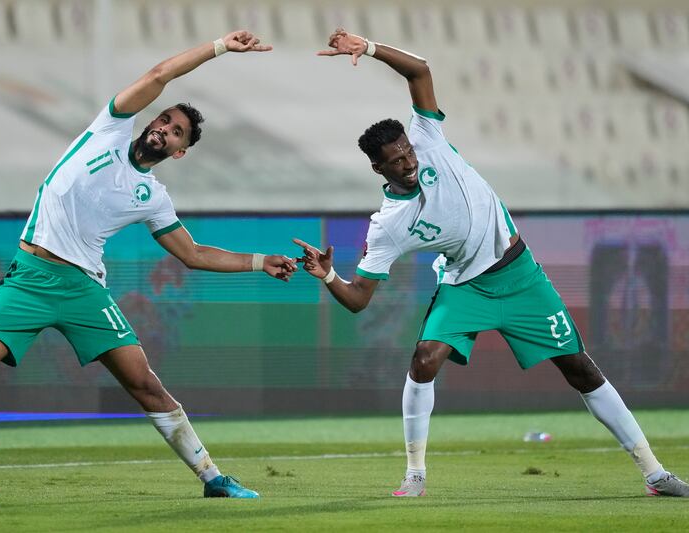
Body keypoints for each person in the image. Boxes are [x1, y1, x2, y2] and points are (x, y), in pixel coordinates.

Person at [293, 28, 689, 498]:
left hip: (521, 276)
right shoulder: (388, 225)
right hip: (466, 287)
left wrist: (371, 49)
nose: (408, 163)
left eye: (407, 153)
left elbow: (419, 69)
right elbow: (359, 300)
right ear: (378, 169)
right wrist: (329, 275)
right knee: (424, 359)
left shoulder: (428, 136)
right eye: (396, 162)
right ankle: (415, 474)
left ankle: (654, 472)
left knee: (580, 368)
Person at [0, 30, 296, 500]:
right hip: (28, 277)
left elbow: (193, 254)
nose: (164, 128)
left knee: (145, 385)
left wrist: (259, 261)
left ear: (179, 152)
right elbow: (159, 74)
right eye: (164, 119)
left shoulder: (153, 196)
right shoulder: (107, 127)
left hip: (84, 289)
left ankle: (213, 478)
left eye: (175, 132)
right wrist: (221, 47)